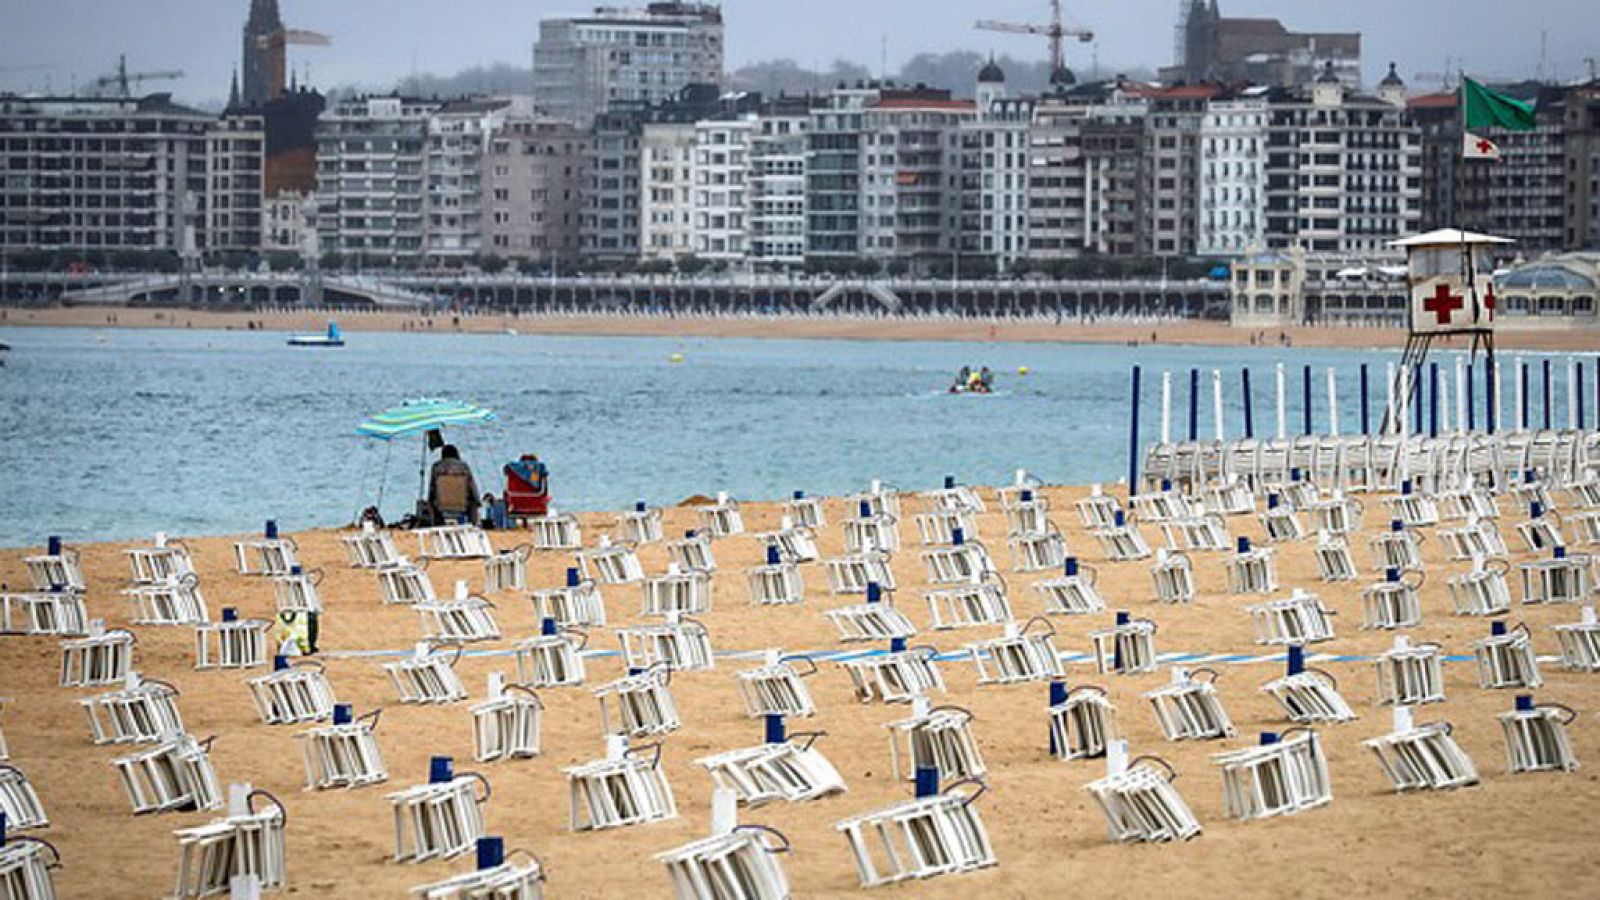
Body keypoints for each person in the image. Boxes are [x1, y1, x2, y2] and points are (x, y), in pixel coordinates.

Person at [428, 444, 480, 525]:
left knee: (431, 502)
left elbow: (432, 490)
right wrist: (477, 501)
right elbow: (472, 487)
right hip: (462, 505)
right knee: (473, 502)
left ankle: (435, 523)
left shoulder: (436, 467)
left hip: (441, 506)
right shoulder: (464, 467)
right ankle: (473, 525)